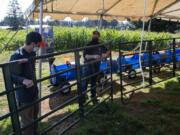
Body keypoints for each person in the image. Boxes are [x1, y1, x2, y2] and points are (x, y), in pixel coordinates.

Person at [10, 32, 44, 135]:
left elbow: (31, 70)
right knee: (27, 124)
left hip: (34, 92)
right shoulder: (17, 55)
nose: (38, 48)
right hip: (24, 96)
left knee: (34, 119)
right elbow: (11, 76)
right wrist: (23, 80)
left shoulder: (32, 54)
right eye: (38, 45)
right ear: (33, 44)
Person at [82, 30, 110, 104]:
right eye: (94, 34)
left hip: (96, 66)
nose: (95, 36)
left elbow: (107, 52)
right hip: (88, 66)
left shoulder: (101, 45)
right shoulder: (88, 45)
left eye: (97, 35)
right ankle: (83, 99)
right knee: (85, 83)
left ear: (99, 36)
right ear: (92, 35)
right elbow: (85, 56)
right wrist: (94, 56)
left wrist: (106, 52)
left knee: (94, 83)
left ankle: (93, 98)